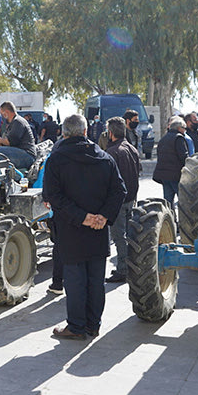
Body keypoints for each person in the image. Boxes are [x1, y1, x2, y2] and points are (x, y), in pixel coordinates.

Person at [43, 114, 126, 340]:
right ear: (86, 131)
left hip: (71, 230)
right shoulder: (104, 158)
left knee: (75, 280)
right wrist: (102, 217)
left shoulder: (56, 159)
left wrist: (82, 217)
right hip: (98, 231)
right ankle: (93, 324)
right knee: (95, 280)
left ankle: (77, 327)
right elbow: (119, 191)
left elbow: (53, 197)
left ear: (64, 133)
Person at [103, 116, 141, 284]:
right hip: (130, 198)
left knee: (119, 237)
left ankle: (123, 270)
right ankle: (128, 267)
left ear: (110, 133)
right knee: (128, 236)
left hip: (119, 201)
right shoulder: (131, 148)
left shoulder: (112, 152)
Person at [153, 116, 189, 210]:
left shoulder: (163, 139)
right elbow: (184, 157)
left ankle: (170, 222)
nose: (185, 131)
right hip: (176, 175)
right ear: (179, 128)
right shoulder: (179, 138)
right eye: (184, 128)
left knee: (168, 202)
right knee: (183, 201)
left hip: (164, 175)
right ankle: (182, 222)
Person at [0, 101, 37, 170]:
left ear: (7, 112)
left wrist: (0, 140)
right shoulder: (13, 123)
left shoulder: (18, 122)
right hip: (22, 152)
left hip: (27, 155)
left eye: (2, 114)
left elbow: (11, 142)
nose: (2, 116)